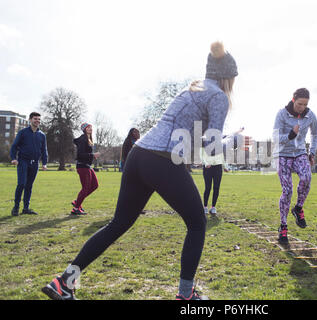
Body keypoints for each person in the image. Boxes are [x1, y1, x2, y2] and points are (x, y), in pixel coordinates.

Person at [42, 41, 238, 300]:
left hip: (139, 155)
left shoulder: (190, 89)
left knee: (119, 223)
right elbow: (213, 149)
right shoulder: (218, 97)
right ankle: (186, 295)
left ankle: (64, 281)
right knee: (197, 224)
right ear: (228, 77)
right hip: (163, 159)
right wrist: (233, 141)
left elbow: (196, 138)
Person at [273, 88, 317, 243]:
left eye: (305, 104)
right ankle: (283, 226)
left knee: (306, 178)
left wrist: (311, 152)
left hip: (300, 153)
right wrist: (290, 135)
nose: (302, 107)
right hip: (283, 154)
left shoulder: (310, 115)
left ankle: (298, 208)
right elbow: (275, 137)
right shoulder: (282, 114)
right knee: (287, 191)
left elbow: (315, 134)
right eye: (300, 104)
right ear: (293, 100)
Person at [10, 112, 48, 216]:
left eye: (39, 119)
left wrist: (44, 163)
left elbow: (44, 150)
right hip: (23, 161)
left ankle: (26, 208)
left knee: (29, 186)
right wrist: (14, 158)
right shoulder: (23, 132)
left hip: (35, 163)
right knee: (21, 184)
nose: (37, 121)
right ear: (30, 120)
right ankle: (16, 207)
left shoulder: (42, 135)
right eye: (35, 119)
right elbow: (14, 146)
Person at [201, 127, 244, 215]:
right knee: (208, 188)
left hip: (218, 168)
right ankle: (205, 207)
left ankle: (213, 207)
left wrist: (225, 166)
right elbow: (202, 155)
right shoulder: (205, 143)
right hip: (208, 168)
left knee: (216, 188)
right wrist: (206, 163)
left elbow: (222, 157)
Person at [71, 123, 100, 215]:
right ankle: (76, 209)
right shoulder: (83, 139)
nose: (90, 129)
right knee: (85, 188)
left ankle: (77, 201)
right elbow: (80, 155)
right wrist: (92, 155)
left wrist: (92, 156)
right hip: (82, 166)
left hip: (87, 166)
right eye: (88, 128)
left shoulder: (89, 139)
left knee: (95, 185)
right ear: (84, 130)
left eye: (91, 127)